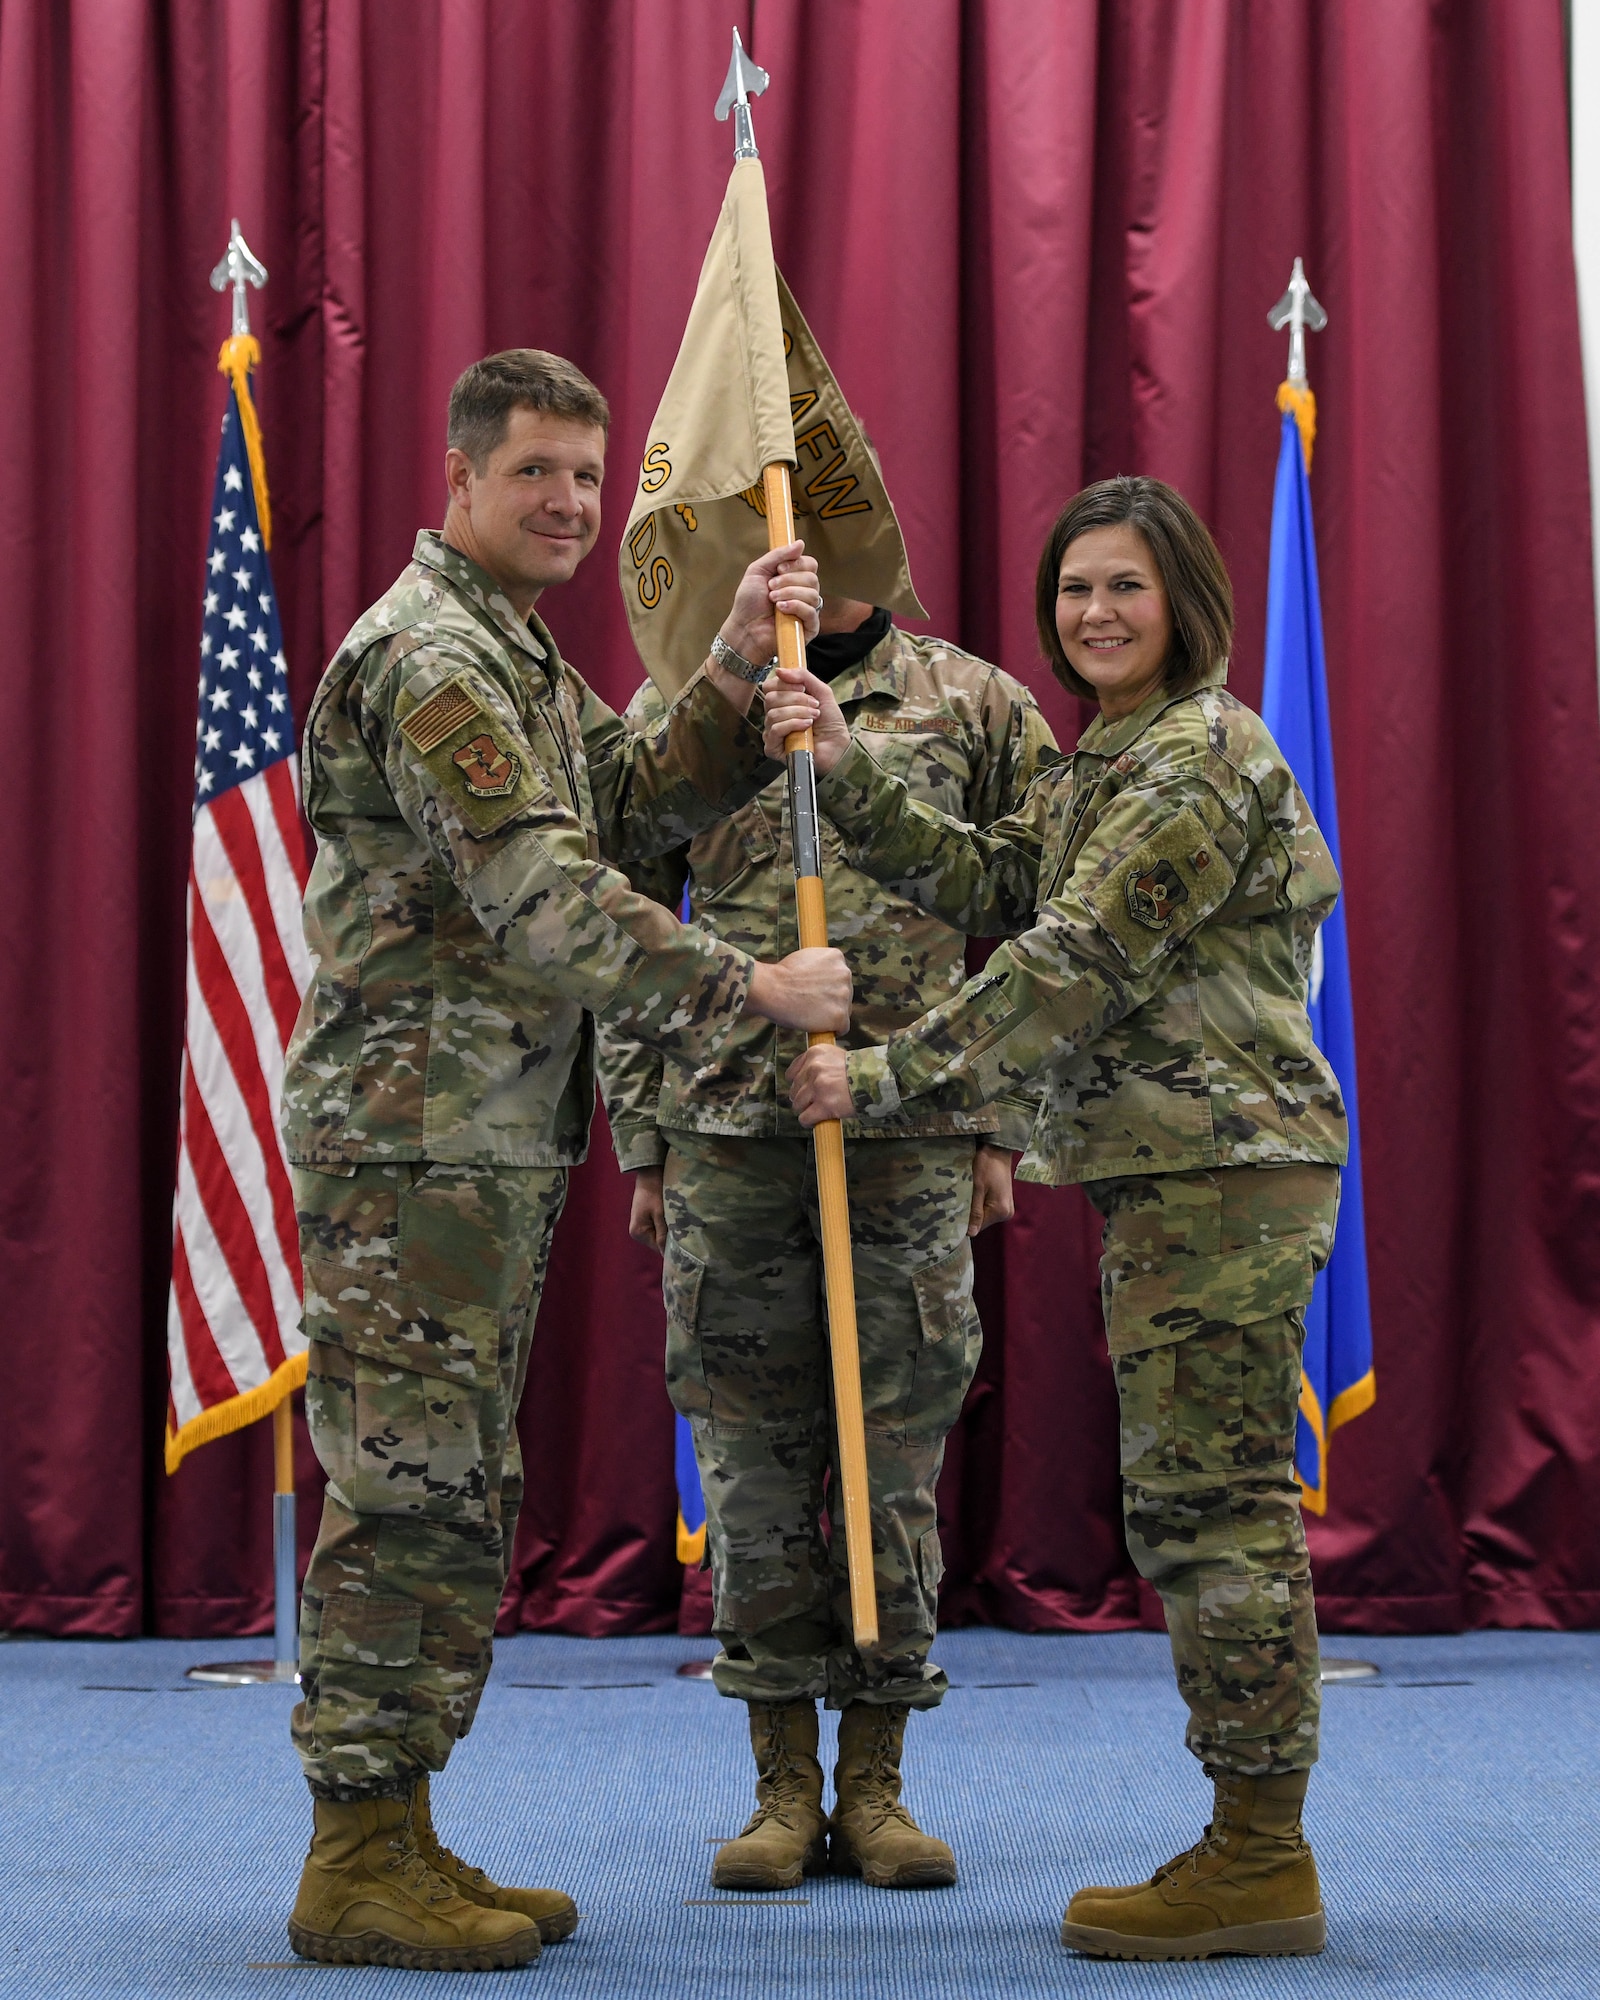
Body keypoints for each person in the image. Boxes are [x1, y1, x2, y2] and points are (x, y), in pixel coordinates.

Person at [279, 348, 848, 1973]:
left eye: (589, 481)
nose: (572, 506)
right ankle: (351, 1856)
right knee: (406, 1496)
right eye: (535, 473)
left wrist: (735, 664)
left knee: (454, 1490)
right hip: (412, 1147)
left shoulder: (511, 648)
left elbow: (617, 798)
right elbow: (544, 892)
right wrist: (750, 985)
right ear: (458, 481)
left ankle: (395, 1830)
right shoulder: (432, 657)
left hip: (478, 1139)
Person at [769, 475, 1348, 1962]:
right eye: (1075, 590)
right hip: (1180, 1176)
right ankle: (1250, 1837)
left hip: (1221, 1178)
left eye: (1127, 588)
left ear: (1188, 604)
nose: (1095, 613)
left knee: (1214, 1516)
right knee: (1191, 1506)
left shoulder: (1197, 760)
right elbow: (1001, 876)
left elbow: (1071, 962)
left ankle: (1260, 1856)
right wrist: (851, 760)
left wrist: (887, 1075)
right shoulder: (1115, 757)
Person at [598, 600, 1056, 1893]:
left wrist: (996, 1123)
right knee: (750, 1458)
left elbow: (1038, 914)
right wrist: (643, 1138)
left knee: (893, 1454)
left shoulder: (973, 703)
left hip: (909, 1129)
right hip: (729, 1134)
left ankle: (877, 1782)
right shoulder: (691, 711)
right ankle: (782, 1784)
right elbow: (625, 913)